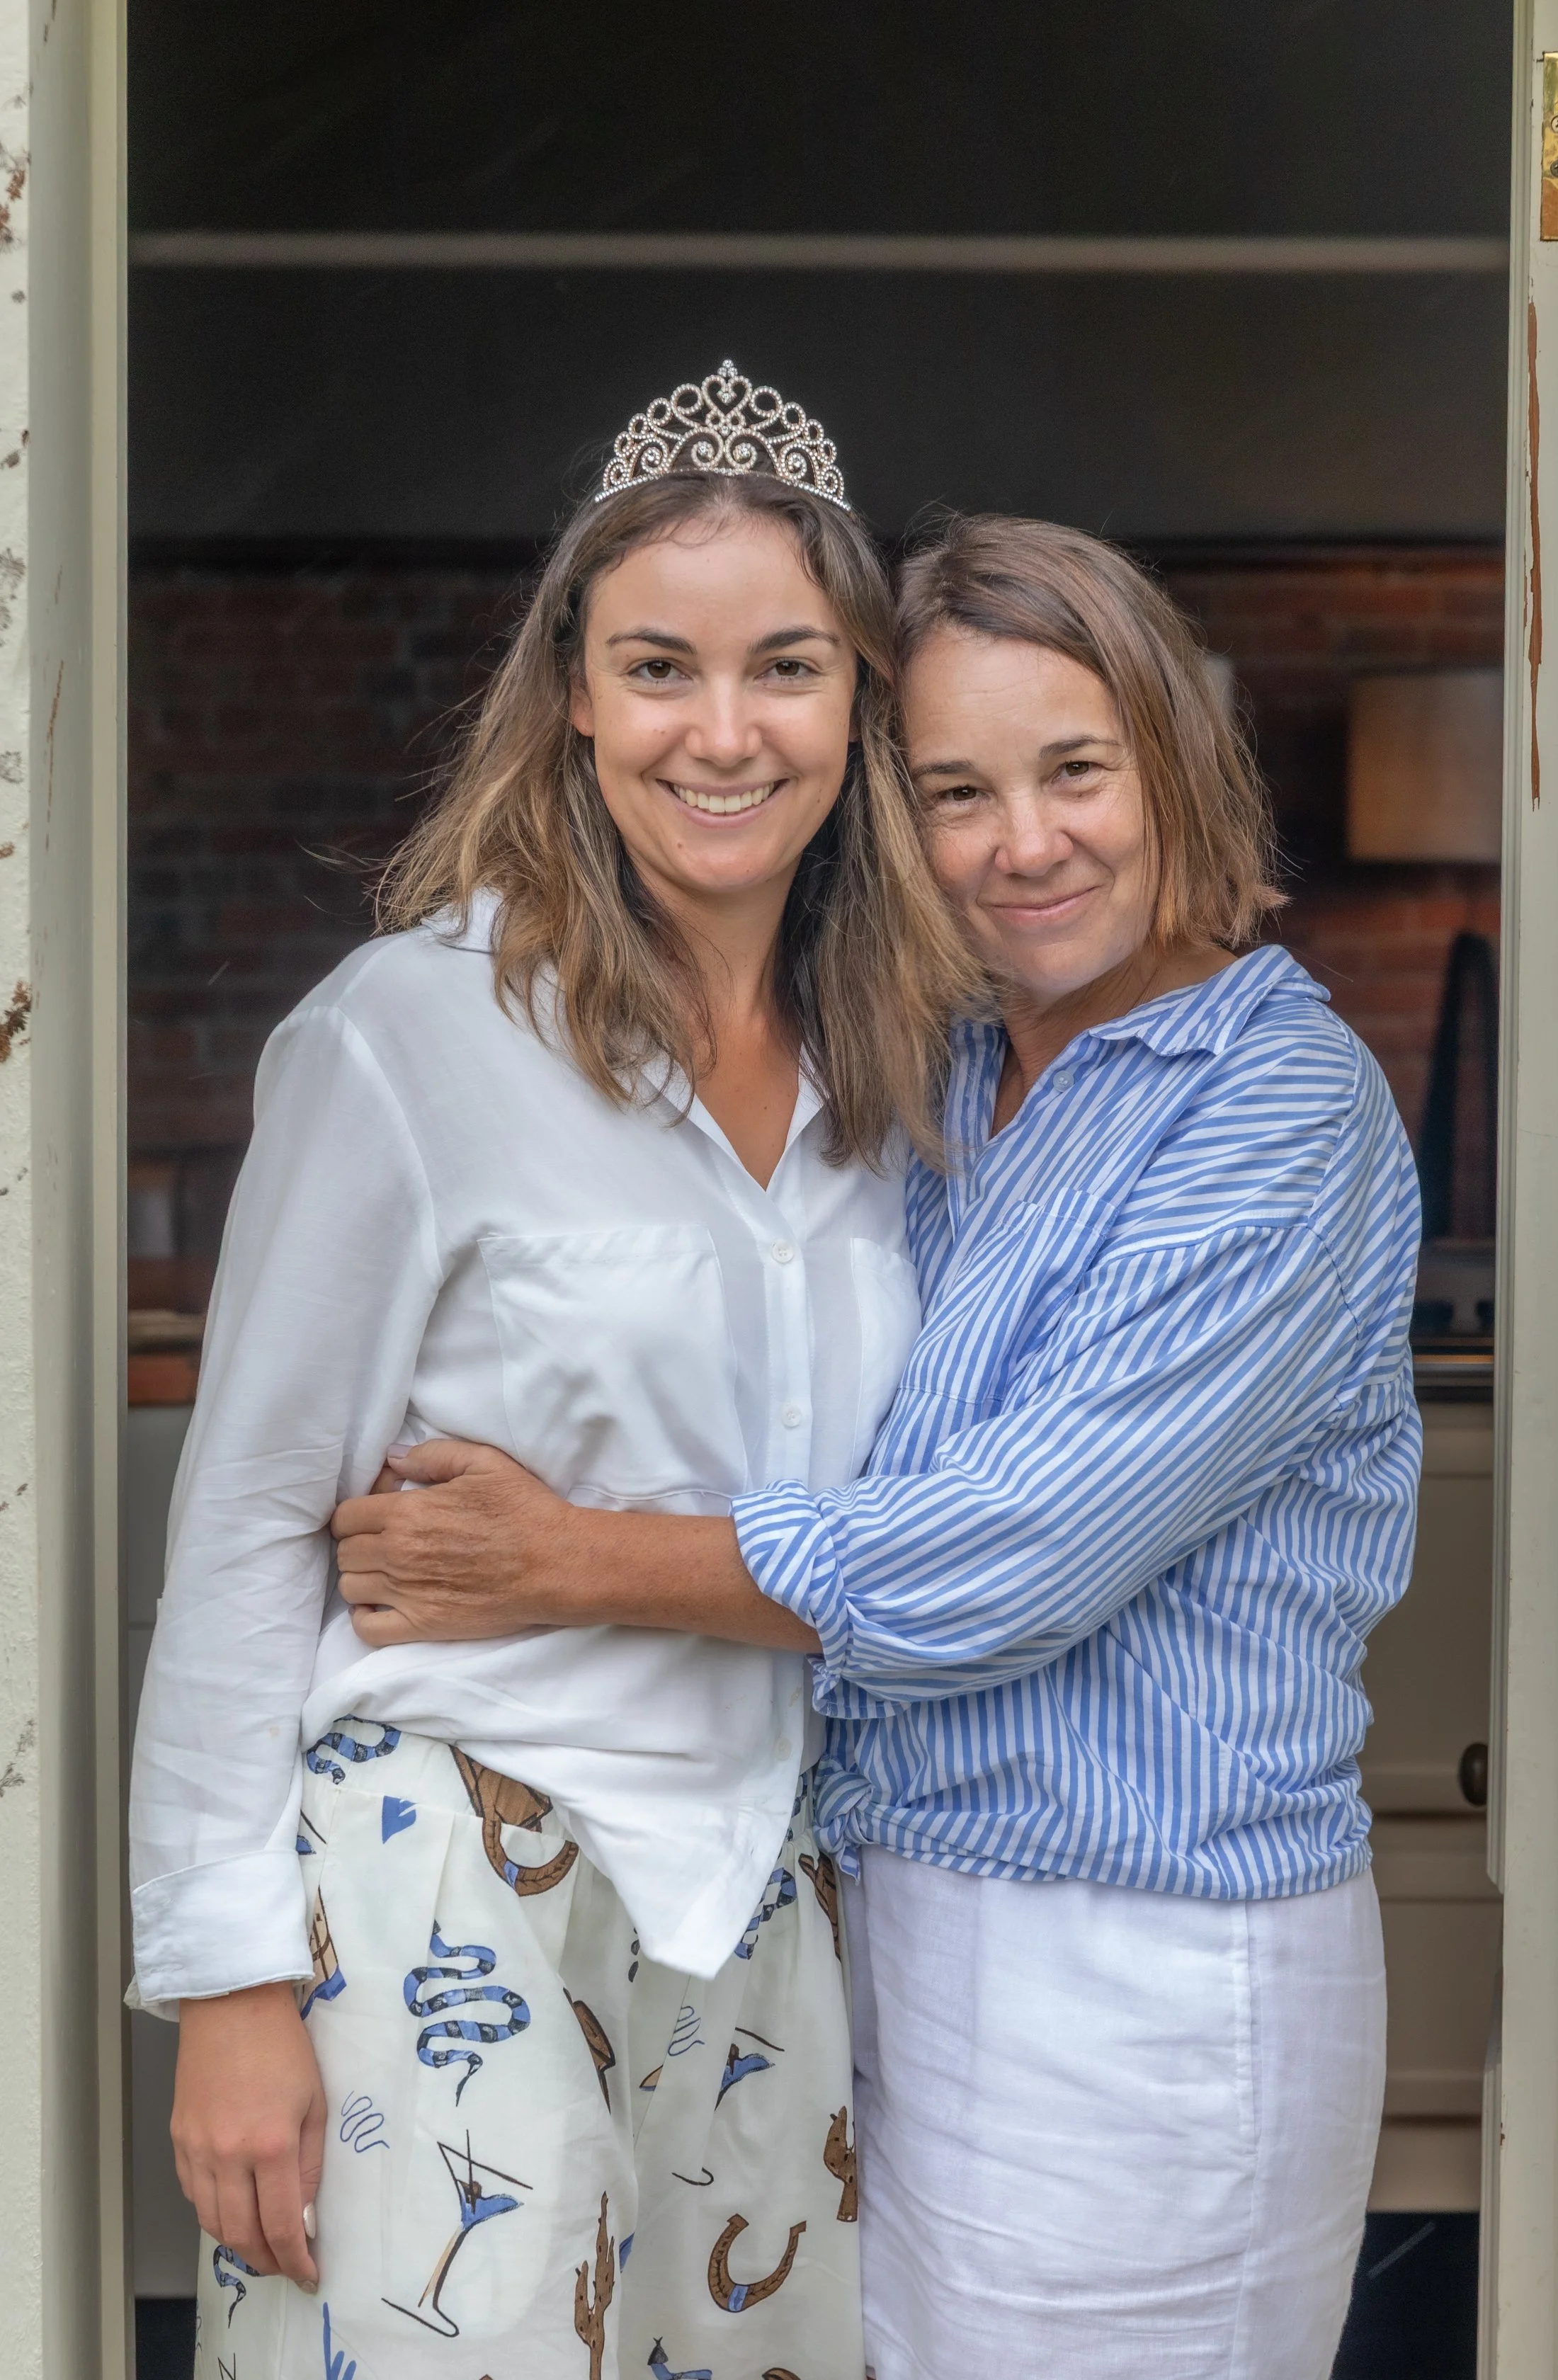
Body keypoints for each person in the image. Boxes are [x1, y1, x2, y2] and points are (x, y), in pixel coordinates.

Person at [331, 513, 1424, 2380]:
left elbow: (999, 1563)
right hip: (884, 1933)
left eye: (1073, 771)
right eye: (951, 793)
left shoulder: (1273, 1113)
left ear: (1168, 759)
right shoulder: (939, 1083)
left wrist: (560, 1559)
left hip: (1142, 1968)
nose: (1022, 844)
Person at [127, 363, 977, 2380]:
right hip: (434, 1863)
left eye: (783, 668)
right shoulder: (410, 1042)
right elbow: (249, 1510)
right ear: (573, 698)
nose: (721, 729)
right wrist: (231, 1986)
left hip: (762, 1886)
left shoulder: (908, 1082)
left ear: (858, 702)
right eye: (656, 667)